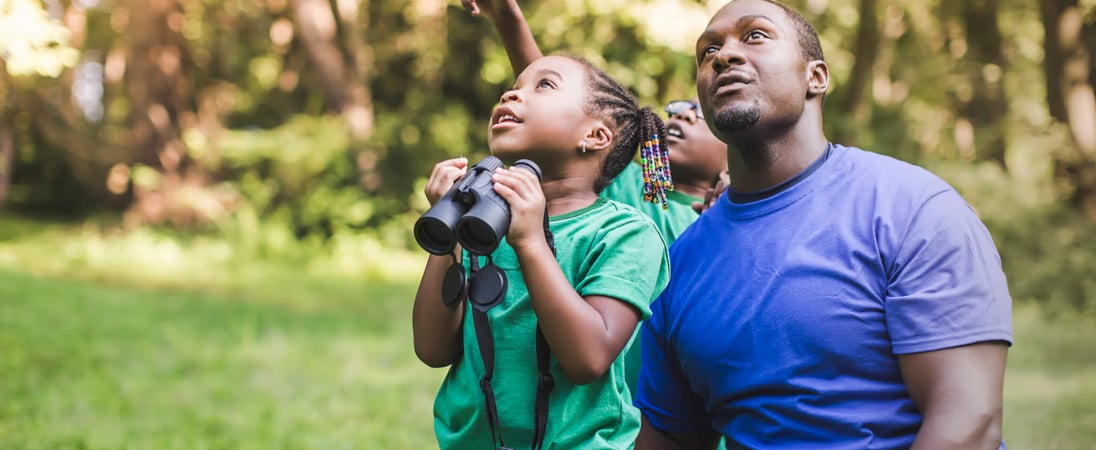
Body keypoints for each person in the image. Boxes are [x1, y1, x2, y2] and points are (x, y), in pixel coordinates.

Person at [634, 0, 1014, 449]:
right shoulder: (678, 264)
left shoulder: (911, 208)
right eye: (708, 50)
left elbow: (968, 422)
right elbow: (671, 439)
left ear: (816, 77)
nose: (724, 55)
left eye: (755, 36)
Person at [412, 53, 672, 448]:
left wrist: (531, 241)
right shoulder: (481, 227)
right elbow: (432, 349)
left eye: (544, 85)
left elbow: (587, 358)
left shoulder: (624, 233)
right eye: (513, 88)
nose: (511, 96)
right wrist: (444, 240)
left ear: (595, 137)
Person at [463, 0, 728, 244]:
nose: (682, 115)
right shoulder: (631, 183)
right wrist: (508, 18)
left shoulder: (724, 217)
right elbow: (560, 114)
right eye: (677, 109)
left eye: (700, 113)